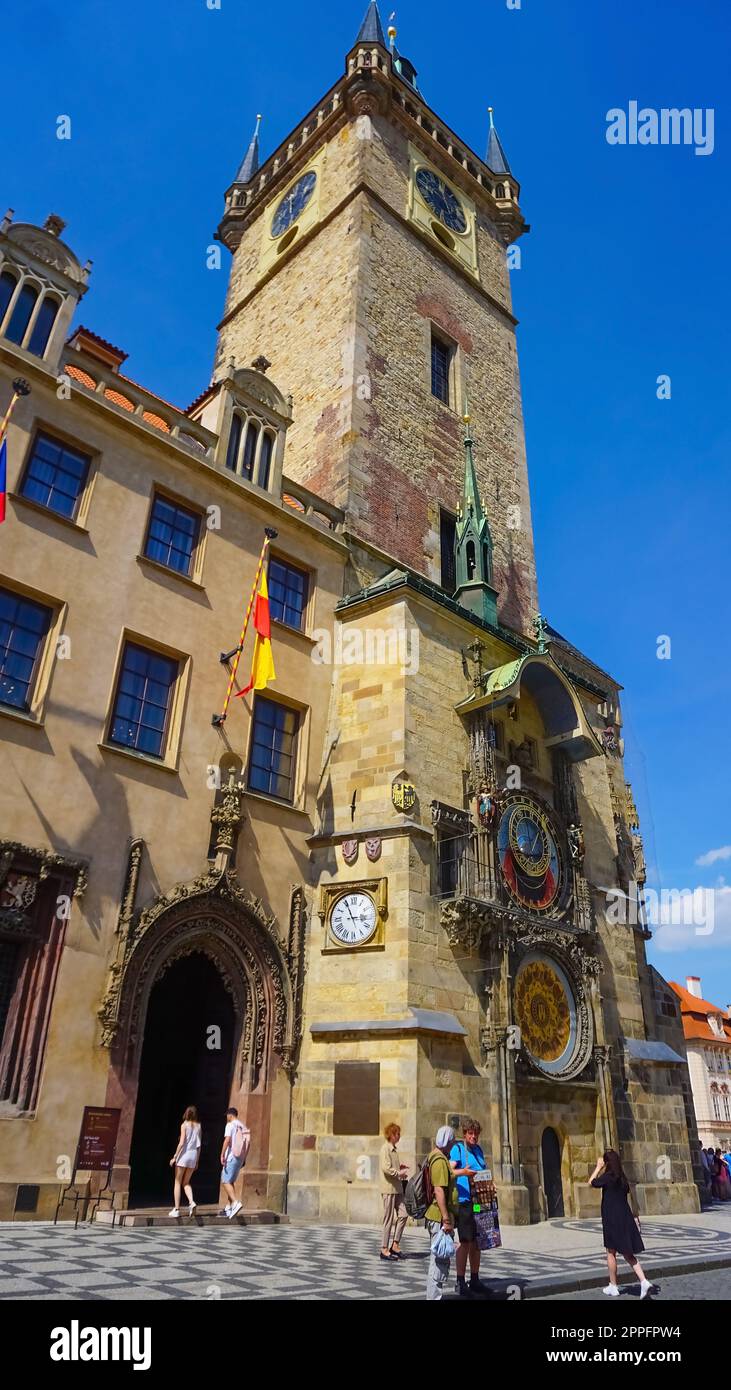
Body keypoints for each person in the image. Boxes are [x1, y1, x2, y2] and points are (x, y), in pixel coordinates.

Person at [589, 1149, 652, 1298]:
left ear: (607, 1163)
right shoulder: (622, 1178)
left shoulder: (608, 1177)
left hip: (612, 1218)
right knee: (628, 1253)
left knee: (611, 1251)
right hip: (625, 1217)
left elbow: (591, 1183)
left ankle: (613, 1286)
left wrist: (598, 1167)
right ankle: (644, 1281)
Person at [449, 1118, 491, 1296]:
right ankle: (460, 1281)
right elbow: (449, 1171)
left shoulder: (479, 1150)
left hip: (478, 1203)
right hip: (465, 1201)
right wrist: (464, 1172)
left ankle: (474, 1279)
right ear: (465, 1134)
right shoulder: (458, 1149)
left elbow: (483, 1172)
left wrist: (490, 1185)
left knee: (477, 1240)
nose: (474, 1136)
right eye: (470, 1133)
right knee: (465, 1241)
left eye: (476, 1134)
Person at [424, 1125, 459, 1300]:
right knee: (438, 1262)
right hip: (438, 1217)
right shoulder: (438, 1160)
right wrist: (446, 1219)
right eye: (452, 1141)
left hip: (440, 1217)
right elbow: (439, 1190)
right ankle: (433, 1298)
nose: (453, 1145)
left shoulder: (438, 1157)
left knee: (440, 1260)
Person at [379, 1122, 409, 1260]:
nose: (399, 1136)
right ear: (391, 1135)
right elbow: (386, 1168)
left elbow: (392, 1167)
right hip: (389, 1189)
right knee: (388, 1219)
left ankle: (395, 1244)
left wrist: (400, 1168)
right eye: (397, 1133)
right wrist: (398, 1173)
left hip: (397, 1188)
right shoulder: (385, 1149)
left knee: (403, 1214)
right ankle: (384, 1249)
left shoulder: (394, 1150)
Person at [169, 1105, 201, 1217]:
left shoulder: (184, 1125)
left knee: (177, 1182)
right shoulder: (198, 1126)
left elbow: (181, 1142)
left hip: (184, 1155)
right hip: (193, 1155)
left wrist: (174, 1157)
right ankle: (191, 1202)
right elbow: (199, 1146)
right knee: (186, 1182)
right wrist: (197, 1161)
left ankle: (177, 1209)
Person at [219, 1106, 250, 1219]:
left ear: (230, 1115)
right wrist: (244, 1158)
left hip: (231, 1156)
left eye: (227, 1115)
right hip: (240, 1157)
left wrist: (222, 1154)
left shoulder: (230, 1125)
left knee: (225, 1180)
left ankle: (235, 1203)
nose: (226, 1117)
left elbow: (227, 1140)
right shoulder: (242, 1125)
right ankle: (229, 1207)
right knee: (230, 1181)